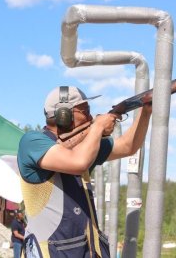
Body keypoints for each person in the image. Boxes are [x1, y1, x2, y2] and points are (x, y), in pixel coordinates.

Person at [17, 86, 152, 257]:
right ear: (63, 115)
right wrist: (97, 128)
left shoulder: (85, 147)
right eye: (85, 110)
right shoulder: (32, 142)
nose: (90, 115)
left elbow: (128, 146)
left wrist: (145, 112)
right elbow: (78, 162)